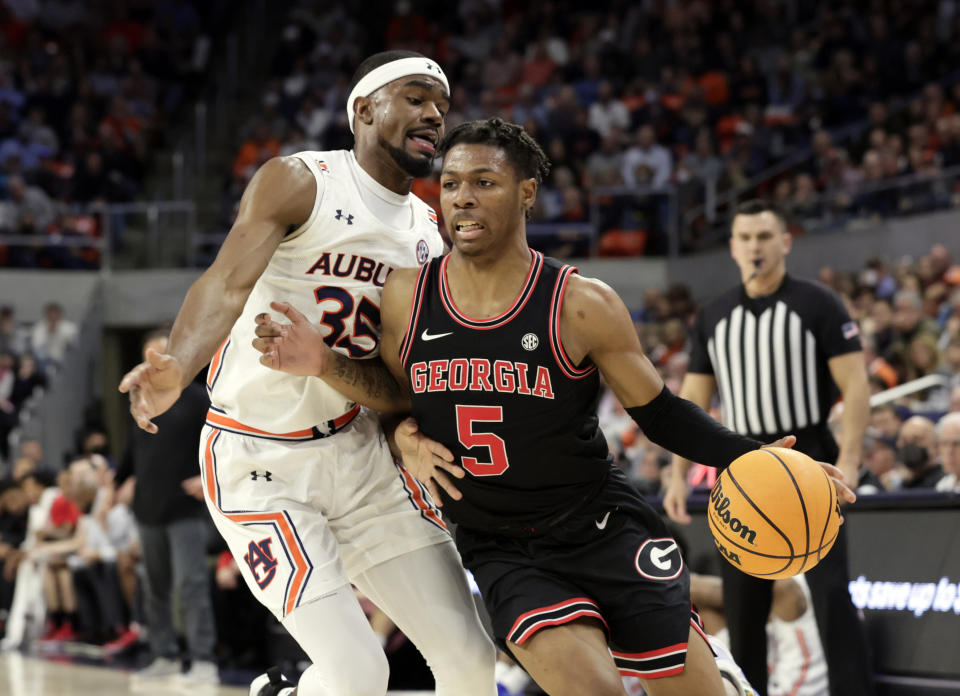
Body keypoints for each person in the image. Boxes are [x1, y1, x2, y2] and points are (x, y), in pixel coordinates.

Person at [252, 118, 855, 696]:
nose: (462, 198)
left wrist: (750, 456)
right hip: (502, 545)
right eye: (453, 183)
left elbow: (661, 412)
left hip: (602, 526)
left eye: (484, 183)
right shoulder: (407, 296)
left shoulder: (581, 302)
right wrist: (398, 432)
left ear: (527, 192)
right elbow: (396, 398)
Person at [119, 50, 496, 696]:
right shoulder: (301, 182)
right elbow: (226, 283)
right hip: (260, 464)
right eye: (415, 96)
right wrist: (177, 364)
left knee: (471, 660)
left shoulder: (431, 238)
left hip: (361, 462)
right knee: (357, 674)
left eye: (441, 102)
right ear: (364, 108)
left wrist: (329, 368)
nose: (435, 112)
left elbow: (399, 386)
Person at [663, 199, 874, 696]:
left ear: (785, 242)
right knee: (744, 606)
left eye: (764, 236)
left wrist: (850, 459)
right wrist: (675, 475)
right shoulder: (713, 315)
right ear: (733, 246)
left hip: (809, 458)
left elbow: (857, 386)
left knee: (830, 598)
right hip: (743, 463)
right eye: (746, 237)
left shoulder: (819, 302)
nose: (755, 246)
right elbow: (690, 401)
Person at [115, 328, 218, 685]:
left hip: (184, 509)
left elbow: (220, 443)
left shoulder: (196, 398)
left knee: (191, 586)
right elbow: (134, 452)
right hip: (147, 507)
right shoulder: (141, 399)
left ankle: (203, 660)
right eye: (149, 357)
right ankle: (164, 655)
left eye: (160, 357)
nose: (153, 365)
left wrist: (208, 480)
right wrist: (119, 483)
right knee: (153, 586)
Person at [689, 573, 828, 696]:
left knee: (693, 591)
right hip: (763, 668)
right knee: (703, 610)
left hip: (796, 687)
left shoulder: (788, 586)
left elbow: (781, 589)